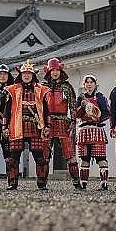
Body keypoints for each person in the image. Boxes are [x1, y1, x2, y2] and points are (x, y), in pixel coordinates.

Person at [3, 60, 50, 190]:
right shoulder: (13, 90)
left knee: (39, 156)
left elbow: (46, 110)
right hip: (18, 125)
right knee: (14, 156)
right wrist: (4, 126)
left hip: (36, 126)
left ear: (33, 75)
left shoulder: (41, 90)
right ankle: (12, 183)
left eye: (29, 73)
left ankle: (41, 183)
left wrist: (48, 126)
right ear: (21, 75)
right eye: (24, 73)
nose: (27, 75)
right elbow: (7, 111)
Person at [42, 58, 81, 189]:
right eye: (52, 70)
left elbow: (72, 105)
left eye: (57, 70)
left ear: (60, 71)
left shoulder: (67, 87)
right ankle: (42, 183)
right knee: (44, 154)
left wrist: (73, 121)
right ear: (48, 71)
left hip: (63, 121)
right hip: (47, 122)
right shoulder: (43, 87)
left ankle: (76, 182)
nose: (55, 73)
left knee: (69, 153)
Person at [75, 74, 110, 190]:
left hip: (97, 129)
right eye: (87, 82)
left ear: (95, 84)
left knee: (101, 158)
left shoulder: (100, 97)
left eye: (91, 82)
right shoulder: (80, 98)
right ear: (84, 85)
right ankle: (83, 183)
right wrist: (82, 107)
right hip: (84, 130)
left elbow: (106, 113)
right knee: (84, 158)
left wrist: (97, 117)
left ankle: (104, 183)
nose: (89, 84)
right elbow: (76, 115)